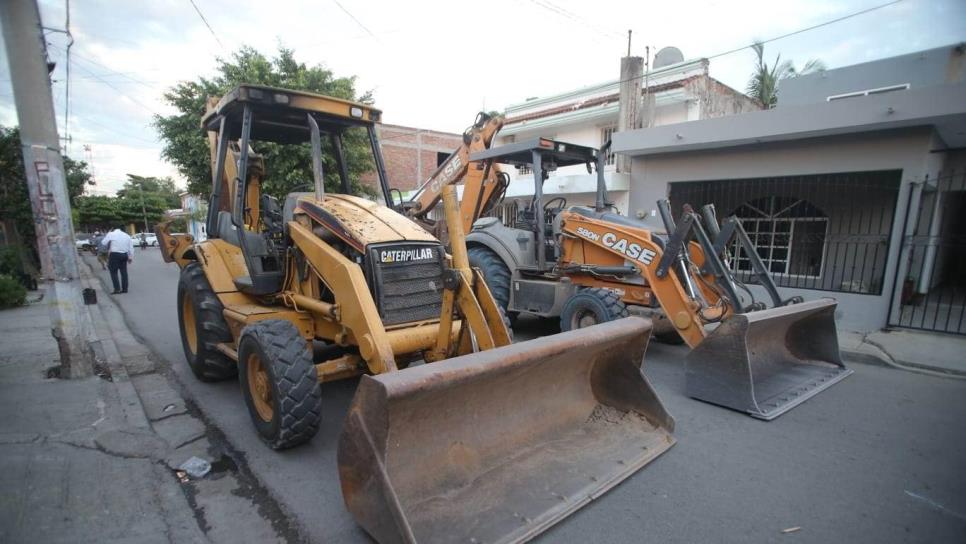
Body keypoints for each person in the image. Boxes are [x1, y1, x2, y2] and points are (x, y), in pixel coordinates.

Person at [102, 226, 134, 294]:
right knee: (124, 273)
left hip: (114, 255)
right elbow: (131, 247)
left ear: (112, 228)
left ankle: (117, 289)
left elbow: (103, 243)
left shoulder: (111, 234)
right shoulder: (127, 235)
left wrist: (108, 233)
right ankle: (125, 289)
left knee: (113, 272)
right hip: (124, 255)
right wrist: (130, 257)